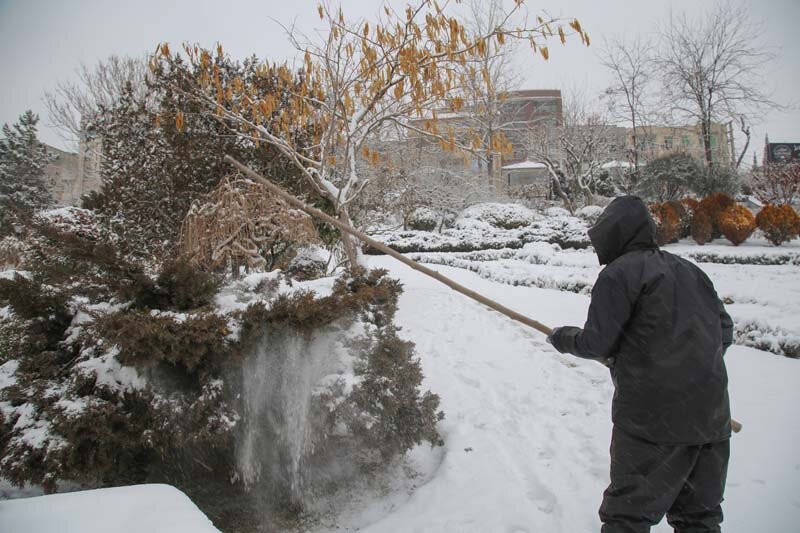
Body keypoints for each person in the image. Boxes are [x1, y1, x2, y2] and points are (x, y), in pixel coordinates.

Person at [547, 196, 734, 533]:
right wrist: (686, 360)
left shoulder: (618, 274)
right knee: (700, 518)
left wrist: (562, 337)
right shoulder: (691, 270)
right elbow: (725, 331)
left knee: (627, 518)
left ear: (613, 235)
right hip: (711, 417)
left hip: (652, 423)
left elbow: (596, 343)